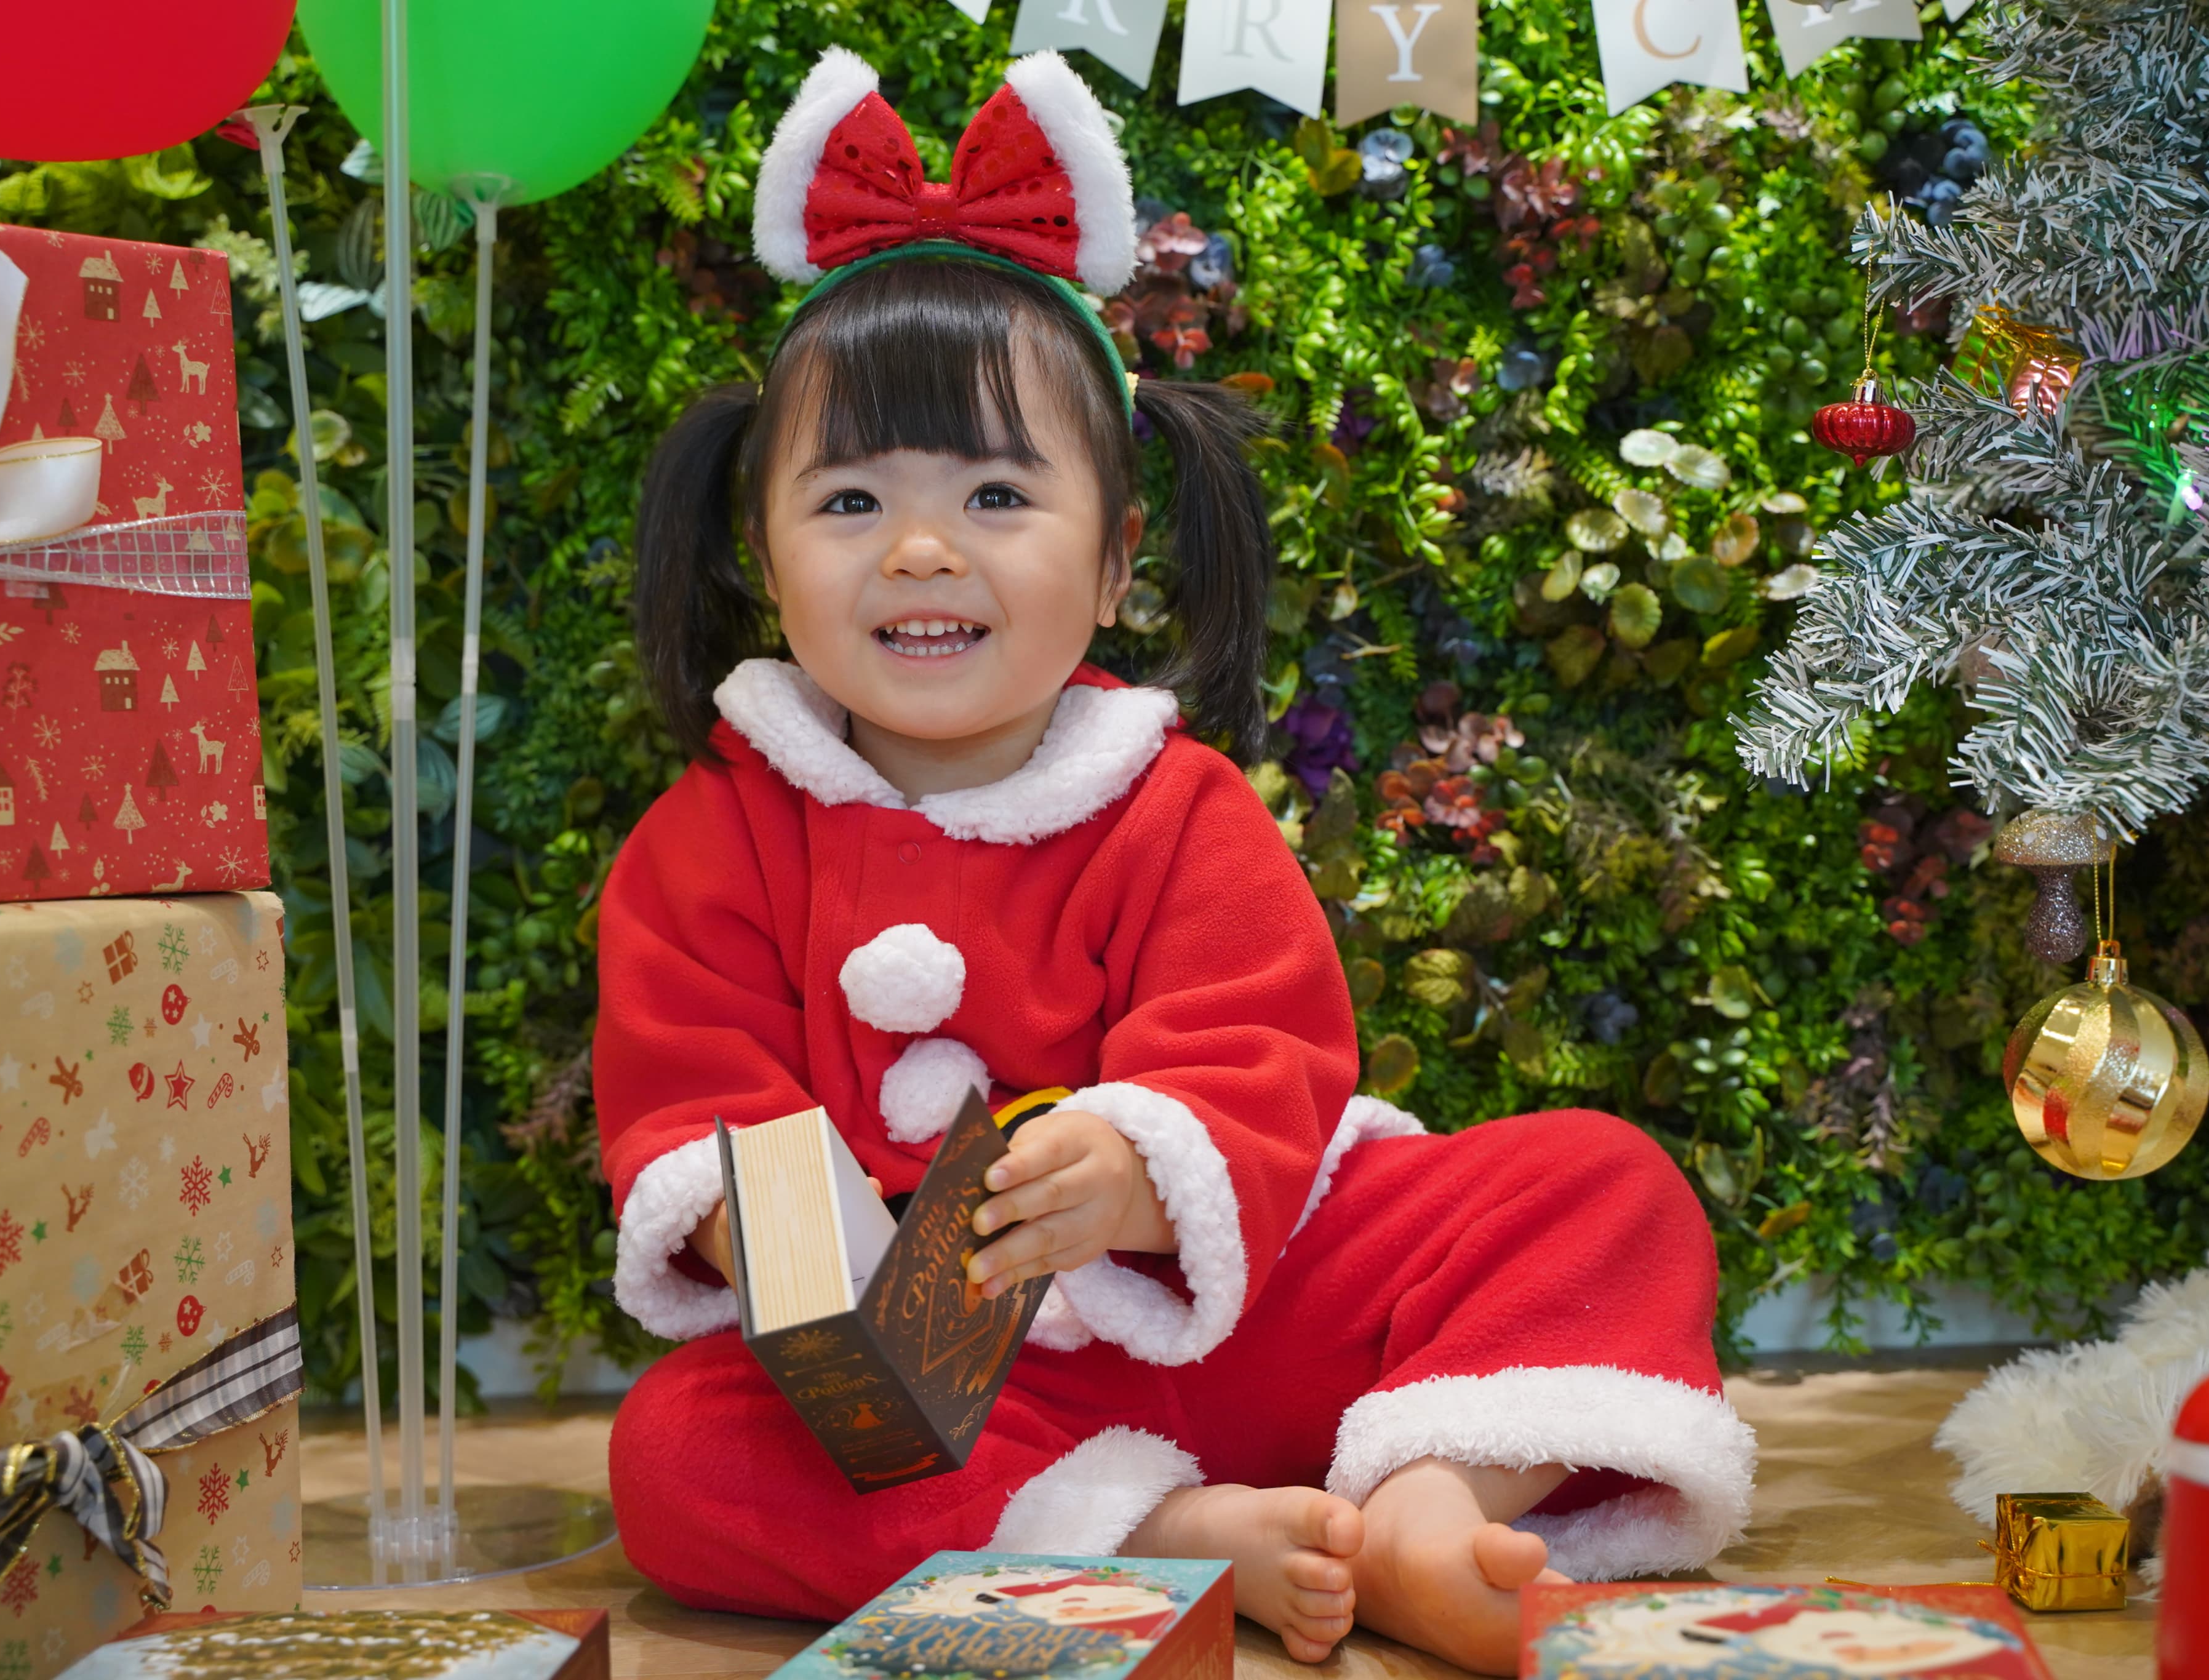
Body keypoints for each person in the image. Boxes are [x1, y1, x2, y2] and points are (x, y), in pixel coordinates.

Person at [599, 46, 1754, 1678]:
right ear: (763, 554)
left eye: (996, 494)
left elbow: (1262, 1041)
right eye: (850, 501)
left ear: (1117, 559)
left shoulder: (1170, 802)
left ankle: (1427, 1505)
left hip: (1249, 1308)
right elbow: (695, 1095)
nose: (921, 551)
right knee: (679, 1451)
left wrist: (1146, 1163)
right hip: (964, 1401)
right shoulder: (716, 835)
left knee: (1600, 1184)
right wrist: (793, 1260)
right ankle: (1154, 1537)